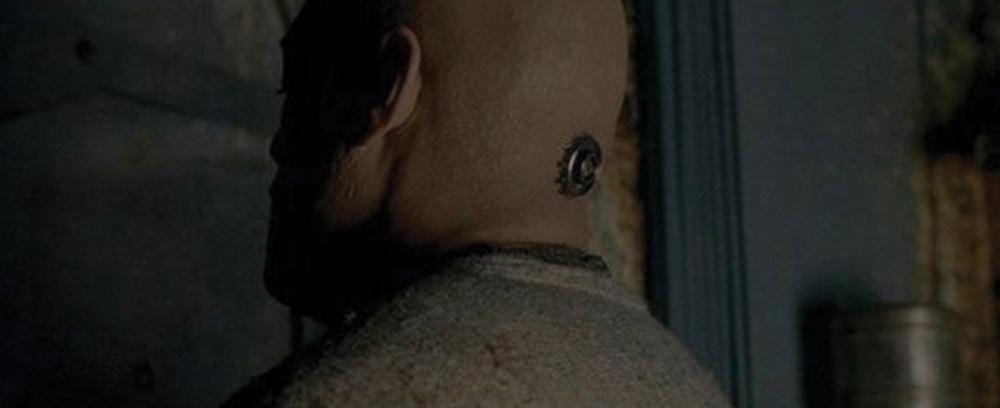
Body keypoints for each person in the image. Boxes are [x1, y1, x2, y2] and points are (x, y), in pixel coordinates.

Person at [224, 0, 732, 406]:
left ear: (387, 85)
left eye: (298, 85)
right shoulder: (691, 388)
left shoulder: (336, 395)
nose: (278, 144)